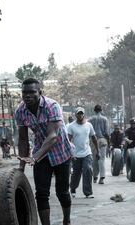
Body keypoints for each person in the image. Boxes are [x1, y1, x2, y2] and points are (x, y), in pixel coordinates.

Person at [16, 78, 73, 225]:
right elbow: (23, 139)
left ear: (40, 92)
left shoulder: (52, 106)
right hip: (42, 153)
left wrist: (34, 158)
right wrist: (21, 167)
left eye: (32, 92)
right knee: (41, 194)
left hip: (61, 152)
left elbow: (53, 136)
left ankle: (67, 220)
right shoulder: (20, 111)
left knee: (63, 193)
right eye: (24, 93)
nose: (27, 96)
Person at [67, 107, 99, 198]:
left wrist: (97, 151)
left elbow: (94, 138)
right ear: (75, 114)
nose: (80, 115)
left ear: (83, 114)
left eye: (81, 113)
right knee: (76, 173)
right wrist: (69, 153)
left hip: (87, 153)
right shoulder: (71, 126)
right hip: (76, 153)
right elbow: (68, 140)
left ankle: (88, 192)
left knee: (88, 170)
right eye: (78, 113)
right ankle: (73, 188)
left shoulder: (89, 125)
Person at [88, 104, 109, 184]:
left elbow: (88, 131)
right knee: (102, 159)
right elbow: (107, 132)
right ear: (101, 110)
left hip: (93, 140)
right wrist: (109, 141)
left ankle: (95, 176)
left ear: (94, 110)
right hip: (102, 140)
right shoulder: (105, 119)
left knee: (95, 158)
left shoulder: (90, 119)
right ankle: (102, 178)